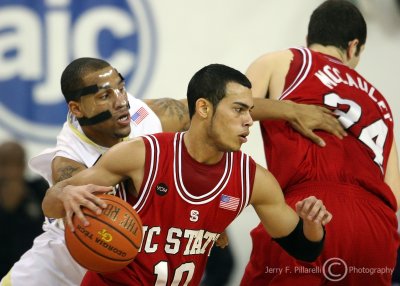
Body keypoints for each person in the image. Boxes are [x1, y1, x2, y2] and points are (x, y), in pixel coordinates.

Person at [41, 63, 332, 285]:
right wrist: (65, 193)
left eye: (250, 112)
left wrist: (312, 224)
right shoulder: (142, 154)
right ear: (203, 108)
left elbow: (305, 248)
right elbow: (51, 204)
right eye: (239, 110)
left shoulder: (253, 179)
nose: (248, 121)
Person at [241, 1, 400, 285]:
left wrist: (289, 109)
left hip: (310, 209)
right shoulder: (380, 103)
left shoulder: (285, 60)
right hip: (376, 229)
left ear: (309, 39)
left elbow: (231, 108)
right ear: (354, 47)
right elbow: (394, 195)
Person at [0, 141, 48, 278]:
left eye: (15, 164)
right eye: (4, 163)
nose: (9, 171)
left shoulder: (39, 191)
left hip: (33, 273)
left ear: (23, 165)